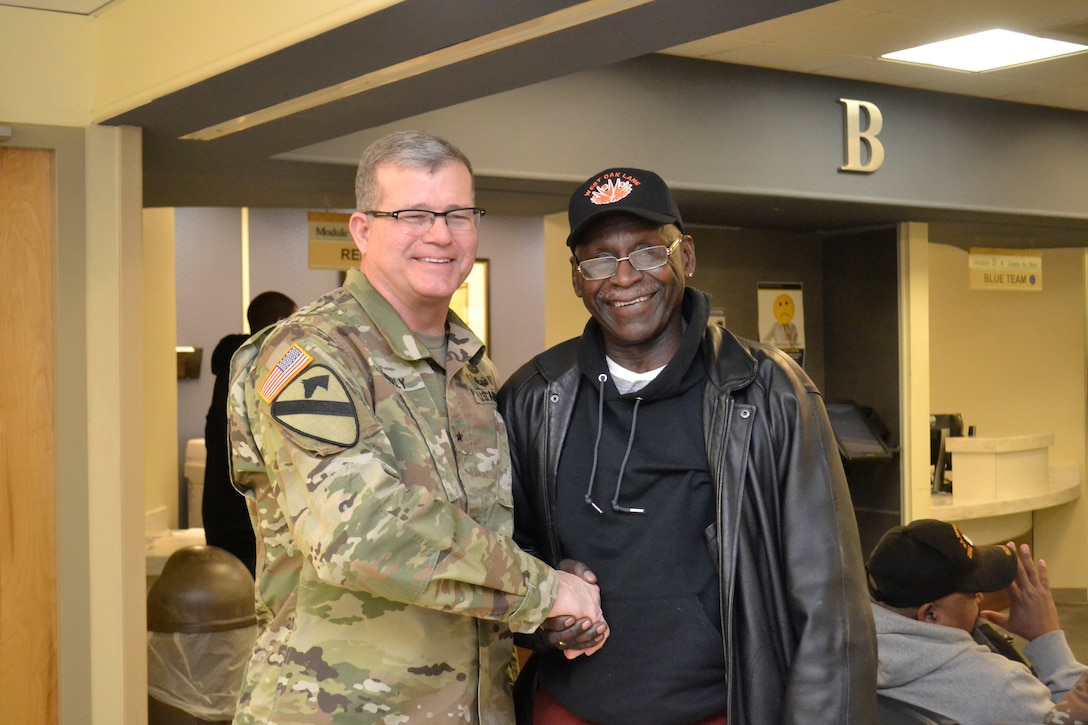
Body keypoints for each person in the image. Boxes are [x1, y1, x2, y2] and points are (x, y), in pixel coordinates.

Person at [227, 130, 607, 724]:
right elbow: (361, 532)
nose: (440, 234)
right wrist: (543, 591)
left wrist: (555, 588)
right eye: (413, 214)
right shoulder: (309, 355)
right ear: (362, 231)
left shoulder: (469, 366)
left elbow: (483, 531)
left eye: (458, 213)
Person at [497, 167, 877, 724]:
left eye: (649, 253)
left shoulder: (768, 391)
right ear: (578, 278)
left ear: (687, 257)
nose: (624, 278)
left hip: (726, 710)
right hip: (570, 710)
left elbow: (831, 601)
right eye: (599, 260)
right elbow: (500, 556)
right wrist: (545, 604)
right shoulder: (534, 397)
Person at [867, 518, 1088, 725]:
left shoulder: (847, 656)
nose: (980, 597)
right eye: (971, 592)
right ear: (931, 614)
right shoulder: (1003, 688)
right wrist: (1047, 639)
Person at [202, 290, 297, 576]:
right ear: (280, 322)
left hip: (220, 513)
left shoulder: (229, 371)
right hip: (261, 517)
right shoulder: (273, 367)